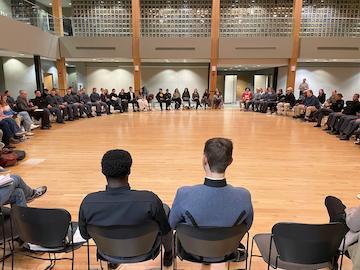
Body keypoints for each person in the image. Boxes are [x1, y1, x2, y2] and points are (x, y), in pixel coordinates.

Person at [78, 150, 173, 268]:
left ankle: (113, 259)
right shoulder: (150, 200)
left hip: (107, 252)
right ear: (129, 171)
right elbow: (164, 229)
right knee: (165, 209)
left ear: (103, 172)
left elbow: (85, 235)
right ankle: (169, 252)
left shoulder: (88, 203)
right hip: (145, 251)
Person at [169, 138, 253, 251]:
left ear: (204, 160)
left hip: (192, 250)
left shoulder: (184, 194)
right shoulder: (244, 196)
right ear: (230, 161)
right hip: (226, 249)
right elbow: (246, 226)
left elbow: (172, 224)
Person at [324, 196, 360, 270]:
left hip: (355, 245)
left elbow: (353, 225)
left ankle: (332, 261)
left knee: (331, 201)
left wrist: (352, 212)